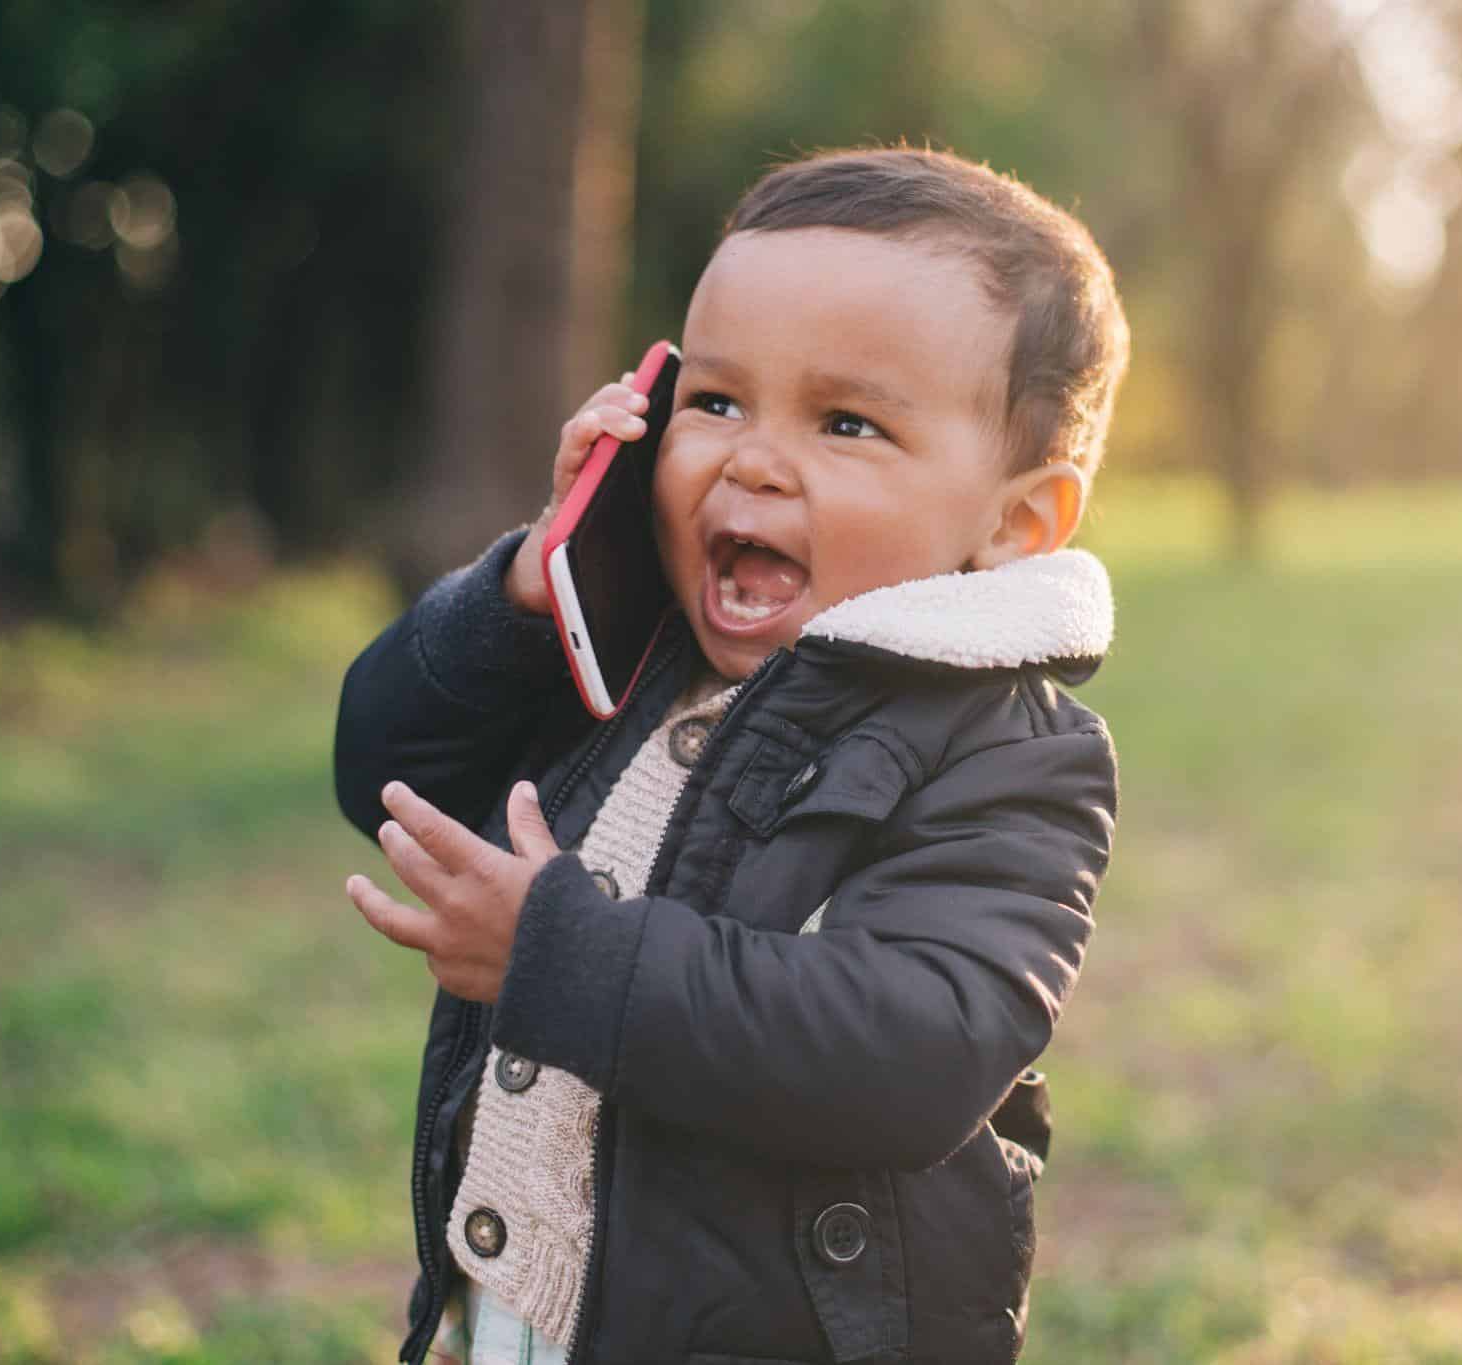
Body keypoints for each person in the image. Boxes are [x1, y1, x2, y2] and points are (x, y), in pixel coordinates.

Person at [334, 146, 1129, 1365]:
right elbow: (386, 771)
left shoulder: (1005, 752)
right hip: (519, 1315)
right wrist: (526, 590)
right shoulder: (626, 653)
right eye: (712, 402)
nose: (750, 459)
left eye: (846, 422)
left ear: (1013, 523)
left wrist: (558, 958)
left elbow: (913, 1050)